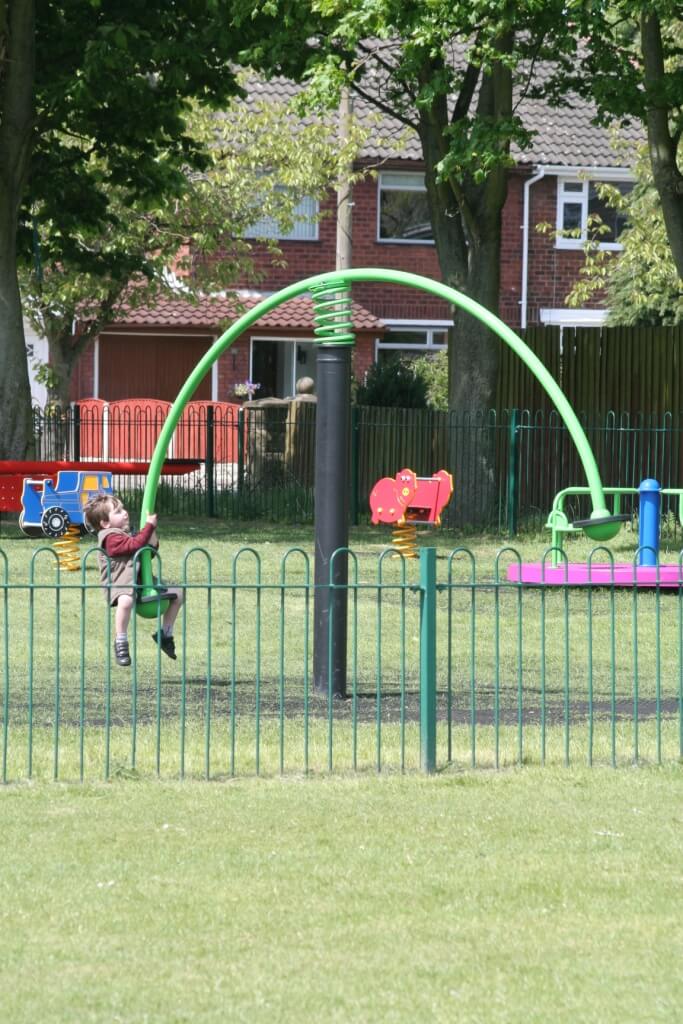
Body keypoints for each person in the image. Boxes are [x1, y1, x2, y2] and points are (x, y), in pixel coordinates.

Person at [83, 494, 184, 667]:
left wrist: (152, 536)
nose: (125, 513)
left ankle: (165, 634)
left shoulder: (126, 535)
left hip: (140, 582)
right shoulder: (110, 537)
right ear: (105, 523)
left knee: (179, 593)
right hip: (120, 583)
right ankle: (120, 640)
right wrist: (148, 528)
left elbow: (146, 553)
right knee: (126, 600)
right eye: (118, 511)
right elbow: (134, 546)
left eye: (123, 508)